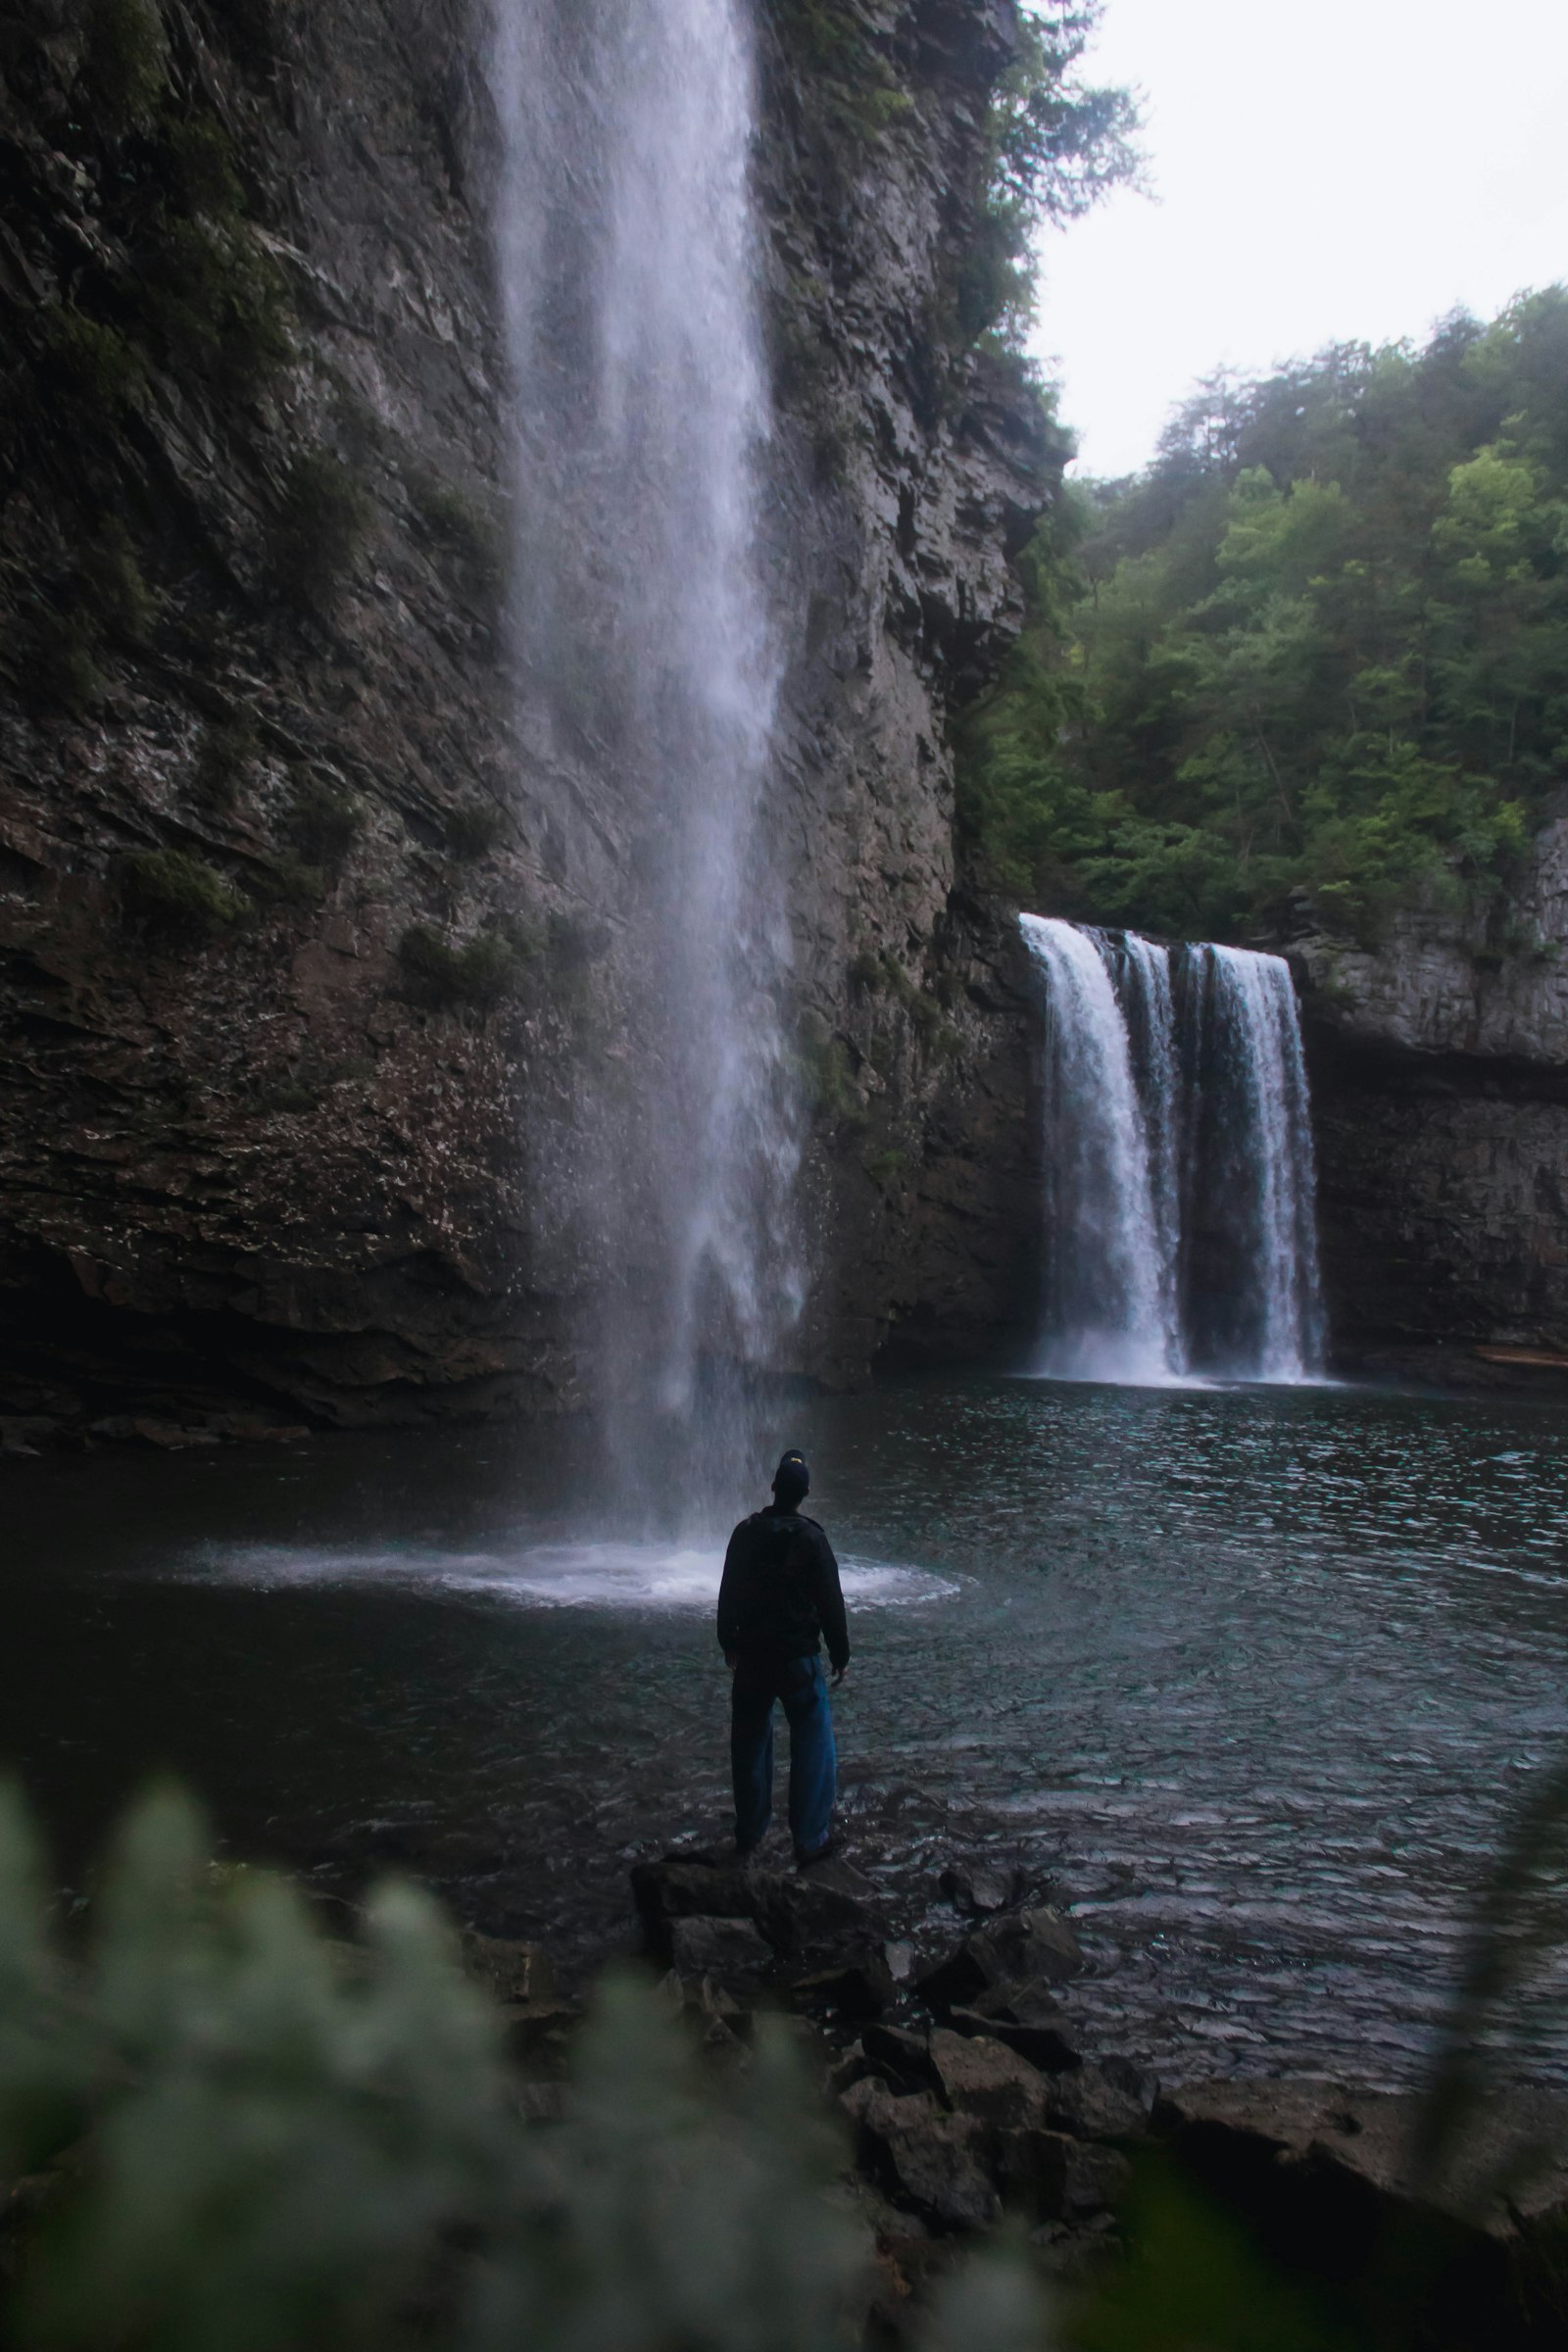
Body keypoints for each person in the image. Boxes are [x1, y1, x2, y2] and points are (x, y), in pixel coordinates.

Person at [716, 1447, 850, 1866]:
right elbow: (831, 1601)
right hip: (797, 1658)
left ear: (773, 1488)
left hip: (752, 1656)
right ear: (805, 1493)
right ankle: (809, 1839)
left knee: (749, 1745)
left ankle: (750, 1835)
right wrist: (840, 1653)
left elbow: (728, 1591)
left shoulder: (745, 1532)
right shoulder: (812, 1537)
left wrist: (729, 1643)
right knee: (813, 1743)